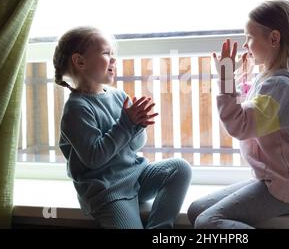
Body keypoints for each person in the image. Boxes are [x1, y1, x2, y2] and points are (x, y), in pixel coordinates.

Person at [187, 0, 289, 229]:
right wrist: (241, 80)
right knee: (195, 211)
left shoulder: (279, 86)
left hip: (281, 187)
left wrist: (227, 80)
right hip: (271, 180)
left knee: (206, 222)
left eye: (249, 37)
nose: (246, 45)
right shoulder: (274, 80)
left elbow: (240, 125)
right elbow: (258, 110)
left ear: (274, 39)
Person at [53, 26, 192, 229]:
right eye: (106, 53)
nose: (113, 60)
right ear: (80, 61)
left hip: (136, 175)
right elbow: (95, 158)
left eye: (113, 54)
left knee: (180, 169)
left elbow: (135, 145)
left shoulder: (118, 96)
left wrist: (138, 125)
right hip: (108, 191)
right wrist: (127, 124)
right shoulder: (76, 109)